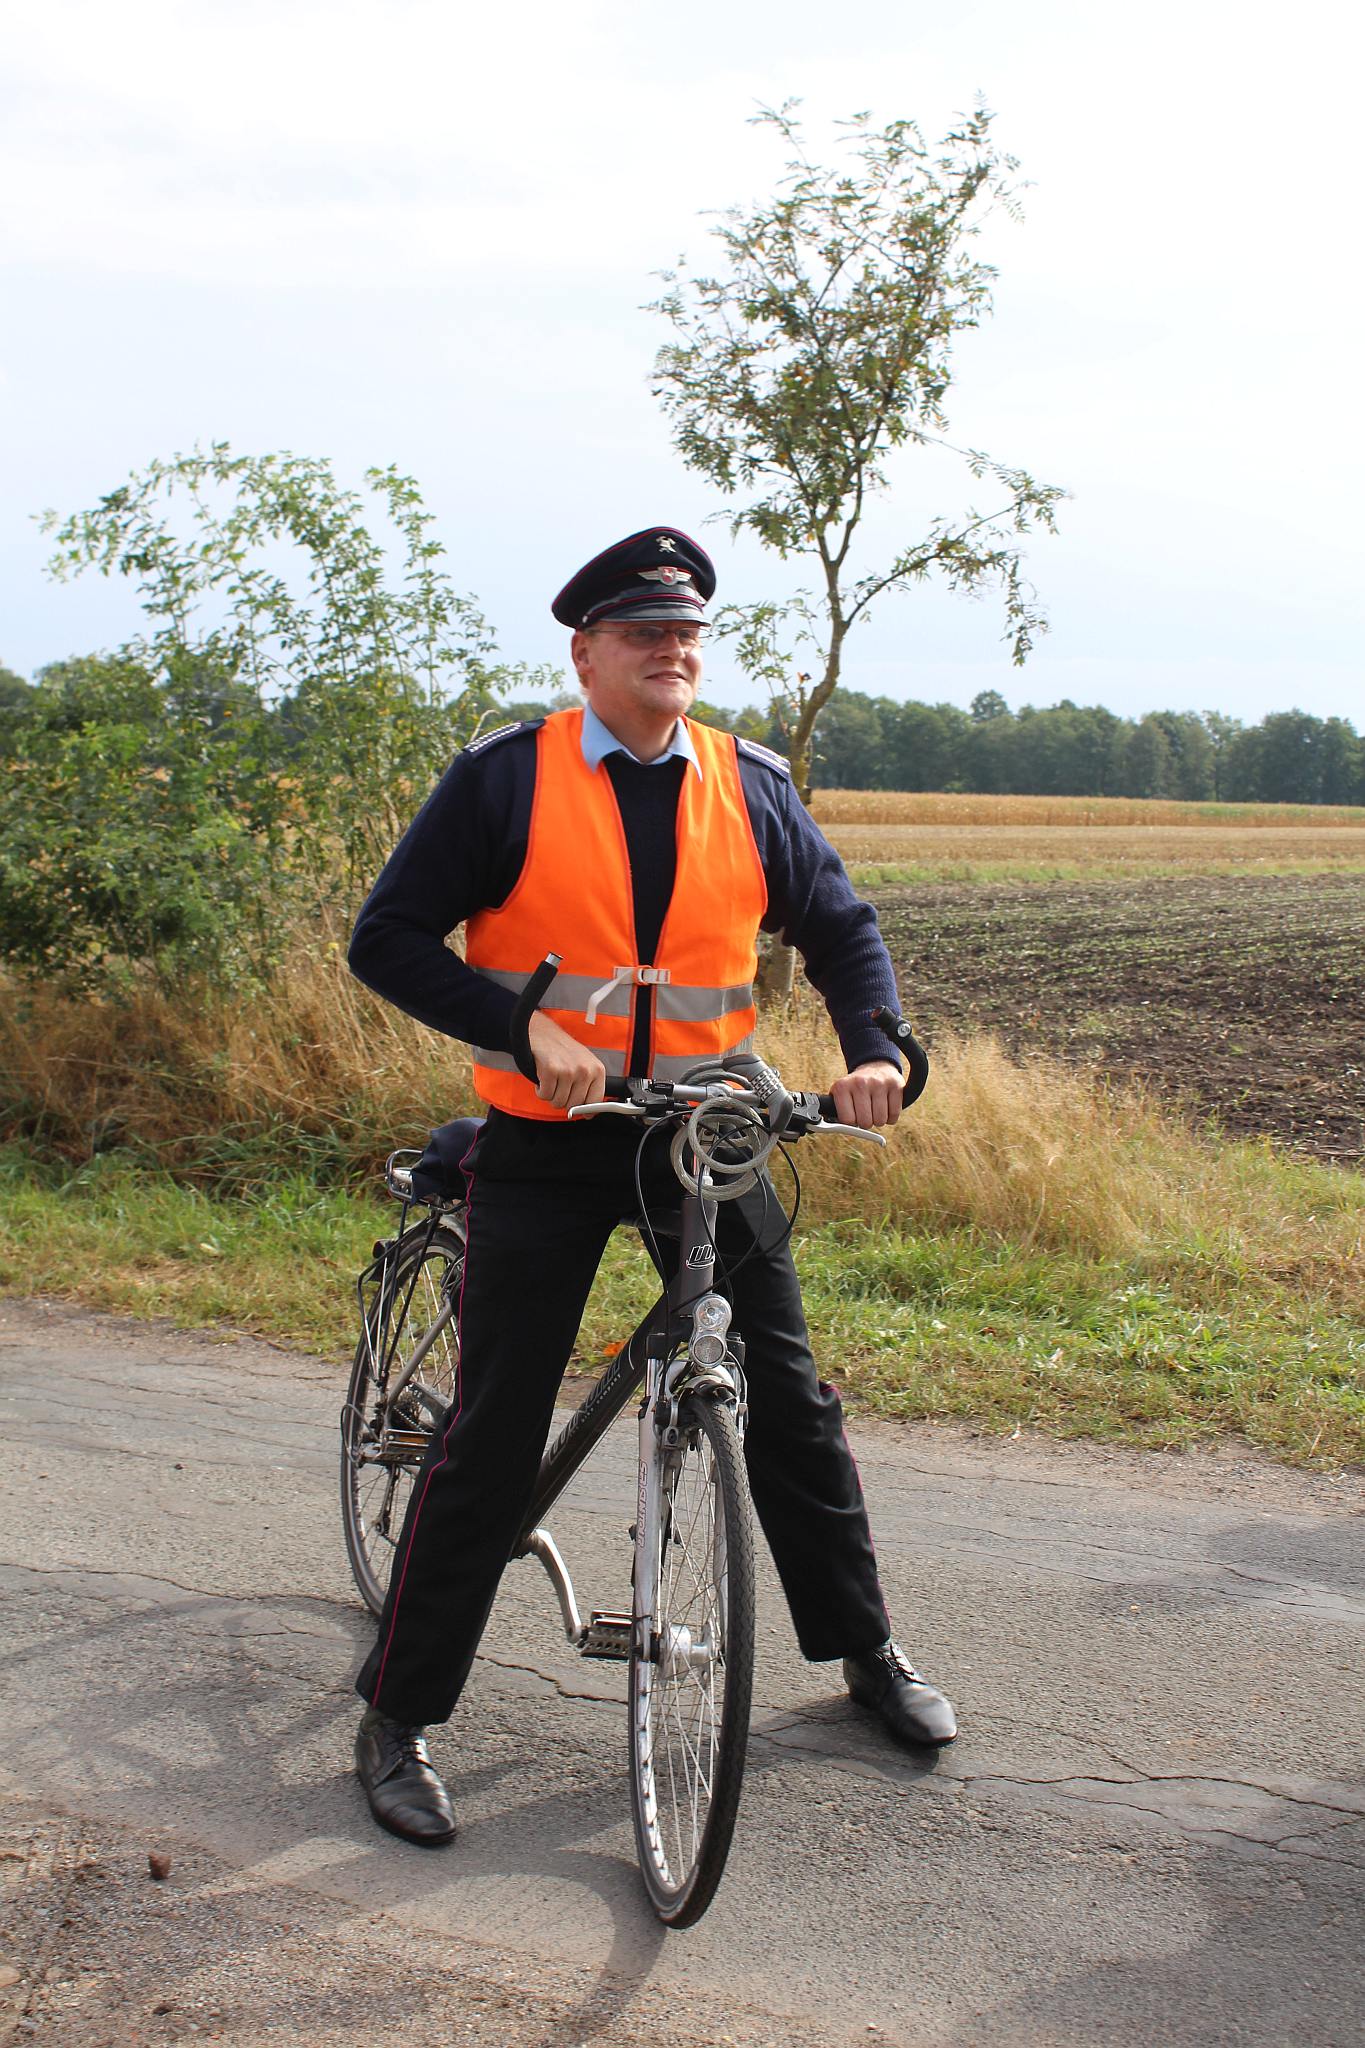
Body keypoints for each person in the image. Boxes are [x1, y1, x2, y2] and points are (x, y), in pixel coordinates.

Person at [348, 527, 957, 1846]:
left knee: (787, 1400)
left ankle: (863, 1653)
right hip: (548, 1144)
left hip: (707, 1135)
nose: (670, 652)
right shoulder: (505, 779)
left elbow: (840, 925)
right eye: (642, 634)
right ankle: (397, 1715)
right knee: (496, 1429)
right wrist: (520, 1029)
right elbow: (384, 938)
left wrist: (875, 1049)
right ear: (587, 655)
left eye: (685, 636)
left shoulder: (750, 784)